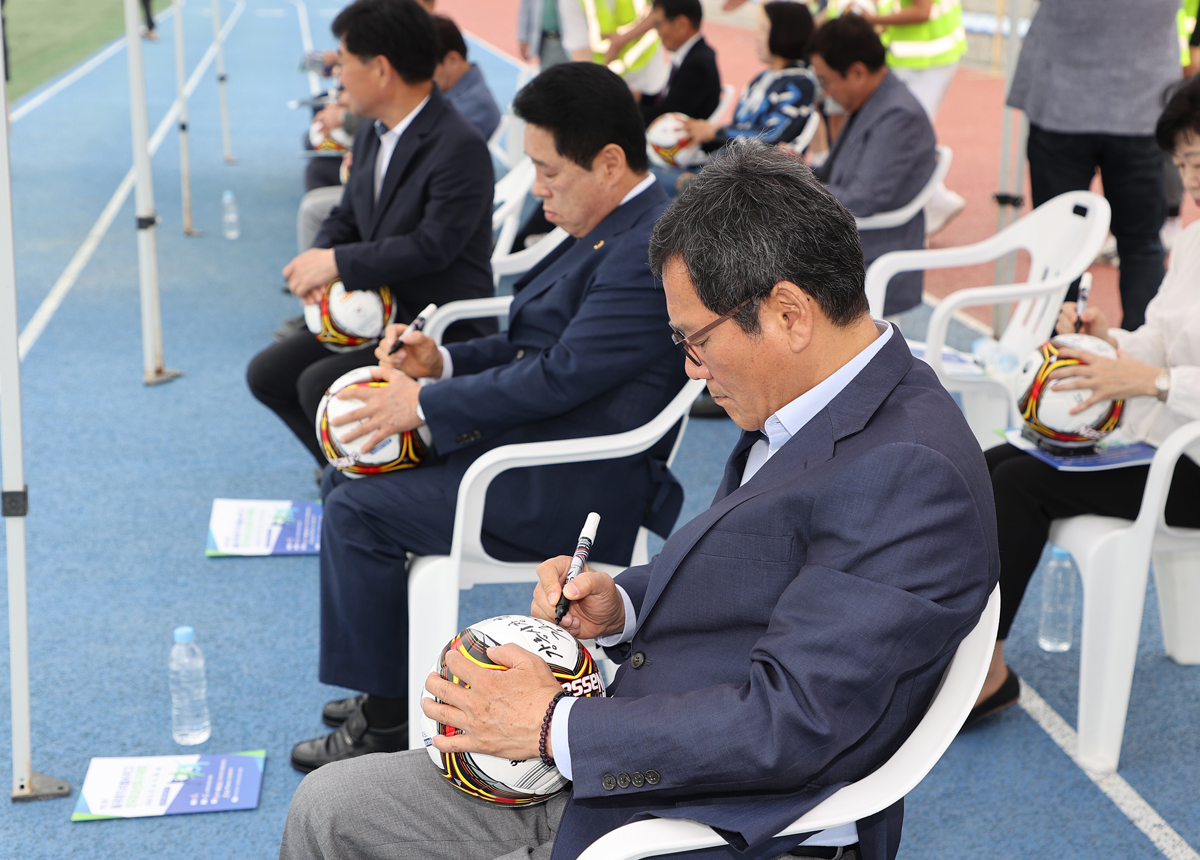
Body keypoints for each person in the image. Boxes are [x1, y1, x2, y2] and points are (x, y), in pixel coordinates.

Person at [277, 140, 998, 860]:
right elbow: (749, 570)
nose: (689, 367)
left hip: (714, 825)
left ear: (788, 313)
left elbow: (794, 723)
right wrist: (620, 605)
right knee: (330, 807)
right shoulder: (820, 401)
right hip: (651, 765)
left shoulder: (907, 472)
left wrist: (552, 726)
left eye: (694, 339)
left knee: (333, 815)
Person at [289, 62, 690, 773]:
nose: (536, 189)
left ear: (608, 162)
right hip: (535, 450)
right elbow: (542, 344)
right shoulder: (611, 224)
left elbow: (559, 376)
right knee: (344, 479)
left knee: (358, 511)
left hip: (571, 483)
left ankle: (384, 724)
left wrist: (421, 404)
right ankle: (382, 685)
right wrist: (438, 365)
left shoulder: (645, 252)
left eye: (547, 171)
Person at [970, 75, 1200, 725]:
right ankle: (955, 645)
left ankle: (988, 674)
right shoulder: (1192, 243)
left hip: (1190, 466)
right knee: (992, 462)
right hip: (1160, 442)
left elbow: (1160, 372)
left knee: (1020, 485)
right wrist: (1111, 337)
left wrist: (1151, 382)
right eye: (1183, 166)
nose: (1190, 182)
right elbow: (1158, 335)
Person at [246, 0, 496, 468]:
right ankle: (349, 478)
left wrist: (338, 263)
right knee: (267, 374)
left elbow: (433, 246)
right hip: (375, 308)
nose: (337, 78)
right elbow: (349, 214)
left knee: (312, 384)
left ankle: (371, 492)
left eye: (343, 64)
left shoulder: (458, 145)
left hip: (432, 322)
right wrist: (318, 258)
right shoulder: (373, 131)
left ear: (380, 70)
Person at [1006, 0, 1179, 332]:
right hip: (1141, 107)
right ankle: (1138, 360)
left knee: (1060, 247)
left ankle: (1059, 354)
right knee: (1141, 244)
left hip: (1062, 102)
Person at [808, 14, 936, 316]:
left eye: (826, 81)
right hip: (851, 245)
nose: (825, 92)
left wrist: (789, 191)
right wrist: (787, 173)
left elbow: (861, 200)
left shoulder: (898, 116)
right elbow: (830, 176)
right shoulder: (873, 102)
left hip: (868, 255)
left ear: (857, 72)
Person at [859, 0, 967, 236]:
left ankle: (935, 199)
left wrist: (876, 20)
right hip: (916, 57)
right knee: (905, 134)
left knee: (906, 134)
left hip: (927, 57)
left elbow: (921, 11)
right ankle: (936, 197)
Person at [683, 2, 817, 152]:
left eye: (764, 29)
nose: (757, 35)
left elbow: (775, 137)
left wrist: (717, 132)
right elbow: (739, 128)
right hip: (731, 165)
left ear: (785, 34)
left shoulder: (800, 84)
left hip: (757, 173)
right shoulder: (764, 76)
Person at [638, 0, 722, 127]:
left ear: (681, 25)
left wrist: (626, 111)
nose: (658, 32)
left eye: (658, 24)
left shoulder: (697, 65)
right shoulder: (693, 55)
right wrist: (639, 97)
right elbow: (667, 101)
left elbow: (666, 118)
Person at [432, 15, 502, 141]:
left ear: (453, 61)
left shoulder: (474, 107)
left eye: (428, 68)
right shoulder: (457, 92)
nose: (421, 75)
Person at [518, 0, 572, 69]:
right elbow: (525, 10)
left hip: (567, 41)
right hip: (544, 42)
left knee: (569, 74)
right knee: (547, 76)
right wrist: (522, 38)